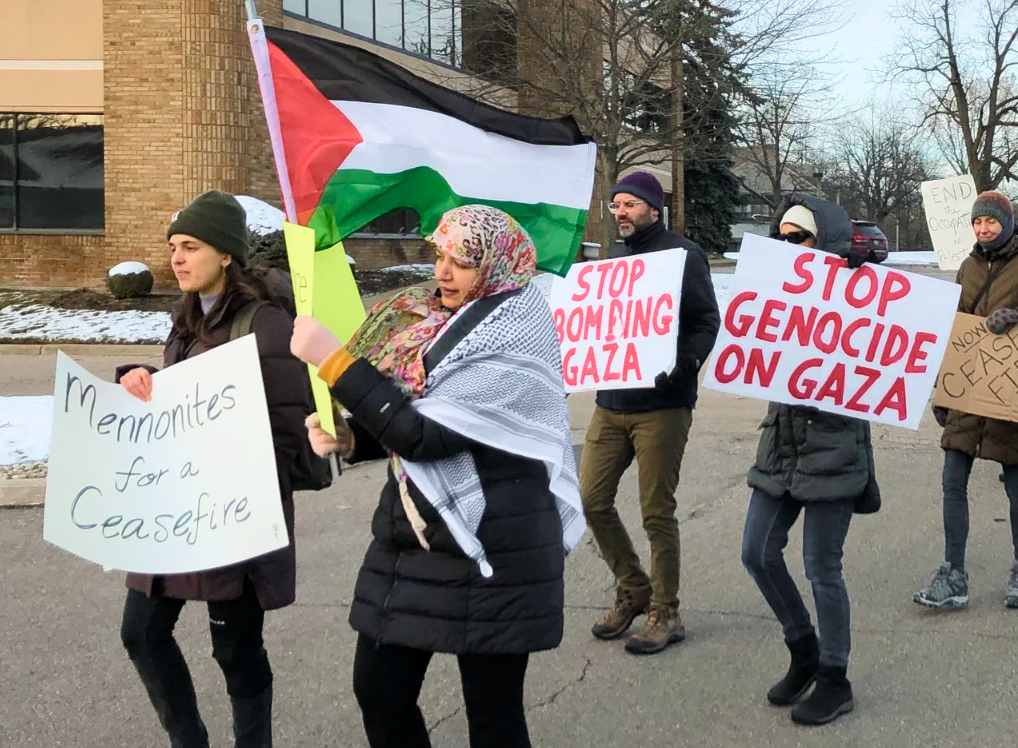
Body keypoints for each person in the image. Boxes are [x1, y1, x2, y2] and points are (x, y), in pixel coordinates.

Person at [291, 205, 582, 748]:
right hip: (416, 531)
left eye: (463, 262)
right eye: (440, 256)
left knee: (492, 714)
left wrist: (334, 363)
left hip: (493, 540)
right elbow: (416, 416)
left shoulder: (516, 330)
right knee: (379, 691)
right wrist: (356, 438)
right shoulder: (430, 317)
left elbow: (429, 437)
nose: (443, 272)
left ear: (497, 266)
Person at [116, 190, 311, 748]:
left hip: (234, 518)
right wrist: (137, 380)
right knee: (142, 634)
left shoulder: (265, 326)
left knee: (236, 651)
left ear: (226, 254)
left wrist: (224, 468)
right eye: (173, 246)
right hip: (173, 511)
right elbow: (175, 399)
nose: (177, 258)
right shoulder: (184, 319)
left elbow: (286, 436)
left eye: (191, 246)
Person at [741, 194, 881, 726]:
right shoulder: (773, 287)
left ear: (823, 239)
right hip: (782, 442)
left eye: (797, 237)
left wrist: (856, 289)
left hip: (834, 446)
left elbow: (893, 357)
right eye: (780, 237)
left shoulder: (861, 292)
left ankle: (835, 676)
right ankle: (803, 646)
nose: (786, 246)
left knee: (822, 567)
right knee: (756, 551)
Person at [578, 171, 721, 654]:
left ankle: (666, 610)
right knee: (591, 499)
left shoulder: (684, 256)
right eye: (615, 204)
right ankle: (633, 587)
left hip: (662, 405)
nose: (620, 212)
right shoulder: (612, 261)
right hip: (611, 401)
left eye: (630, 205)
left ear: (653, 210)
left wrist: (682, 364)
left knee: (656, 511)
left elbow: (706, 321)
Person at [916, 191, 1018, 611]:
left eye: (991, 222)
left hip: (1009, 392)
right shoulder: (967, 266)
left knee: (1016, 482)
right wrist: (944, 387)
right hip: (969, 389)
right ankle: (953, 573)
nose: (984, 228)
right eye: (978, 222)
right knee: (951, 482)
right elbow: (956, 325)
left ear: (1007, 222)